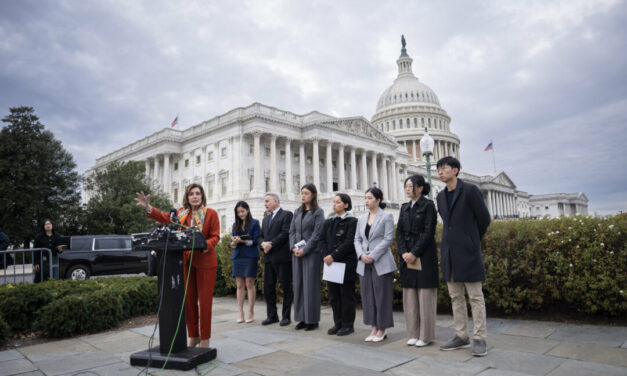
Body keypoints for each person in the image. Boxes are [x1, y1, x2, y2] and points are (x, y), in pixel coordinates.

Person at [135, 183, 220, 348]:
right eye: (191, 194)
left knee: (204, 303)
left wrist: (204, 245)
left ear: (202, 196)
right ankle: (194, 335)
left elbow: (216, 237)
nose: (194, 196)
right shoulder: (182, 213)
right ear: (187, 197)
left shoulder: (211, 214)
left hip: (205, 262)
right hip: (186, 262)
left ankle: (205, 339)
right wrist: (148, 207)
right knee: (188, 302)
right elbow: (163, 217)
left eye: (197, 193)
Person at [435, 156, 491, 357]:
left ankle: (479, 337)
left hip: (469, 252)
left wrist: (472, 240)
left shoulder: (470, 191)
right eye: (438, 169)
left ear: (455, 170)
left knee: (475, 297)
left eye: (445, 168)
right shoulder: (440, 197)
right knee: (455, 297)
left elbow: (484, 219)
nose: (440, 172)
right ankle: (461, 335)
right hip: (450, 253)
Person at [396, 175, 438, 347]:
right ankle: (412, 333)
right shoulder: (404, 207)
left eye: (410, 186)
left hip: (424, 255)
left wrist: (414, 252)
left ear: (420, 188)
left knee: (425, 295)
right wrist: (404, 252)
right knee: (410, 296)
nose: (407, 189)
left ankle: (426, 335)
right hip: (407, 256)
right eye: (405, 186)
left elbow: (428, 232)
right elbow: (399, 232)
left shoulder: (428, 205)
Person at [354, 187, 396, 342]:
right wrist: (361, 254)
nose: (366, 201)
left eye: (370, 198)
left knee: (382, 296)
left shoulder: (386, 217)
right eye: (365, 198)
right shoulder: (361, 218)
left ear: (378, 200)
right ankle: (373, 326)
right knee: (368, 296)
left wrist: (373, 255)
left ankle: (382, 328)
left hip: (381, 262)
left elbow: (388, 239)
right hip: (364, 262)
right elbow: (357, 239)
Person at [320, 193, 358, 336]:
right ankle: (338, 323)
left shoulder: (352, 221)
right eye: (334, 202)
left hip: (345, 263)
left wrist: (333, 255)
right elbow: (322, 240)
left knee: (346, 295)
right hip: (330, 264)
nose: (334, 204)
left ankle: (348, 324)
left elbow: (349, 242)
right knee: (334, 295)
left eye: (338, 202)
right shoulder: (329, 222)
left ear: (346, 205)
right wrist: (325, 255)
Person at [289, 183, 324, 331]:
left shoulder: (318, 212)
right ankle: (301, 318)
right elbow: (291, 231)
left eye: (306, 193)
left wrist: (306, 249)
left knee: (311, 286)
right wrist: (293, 248)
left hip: (311, 254)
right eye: (301, 193)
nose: (303, 196)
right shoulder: (297, 211)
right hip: (297, 254)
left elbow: (317, 234)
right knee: (298, 285)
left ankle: (312, 319)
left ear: (313, 195)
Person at [258, 193, 294, 327]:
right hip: (268, 258)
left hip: (282, 258)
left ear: (275, 201)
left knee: (285, 288)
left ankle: (286, 316)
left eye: (267, 201)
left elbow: (285, 233)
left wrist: (270, 244)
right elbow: (260, 236)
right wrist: (262, 244)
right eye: (265, 201)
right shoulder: (265, 219)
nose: (265, 203)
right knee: (268, 288)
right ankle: (272, 316)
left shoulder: (287, 215)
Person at [230, 201, 260, 323]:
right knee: (239, 284)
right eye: (238, 212)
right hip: (238, 256)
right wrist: (234, 242)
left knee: (249, 284)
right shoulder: (234, 225)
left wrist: (242, 241)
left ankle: (250, 312)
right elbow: (232, 244)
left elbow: (256, 241)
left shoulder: (255, 223)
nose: (241, 214)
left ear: (247, 210)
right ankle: (240, 312)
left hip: (250, 256)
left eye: (242, 211)